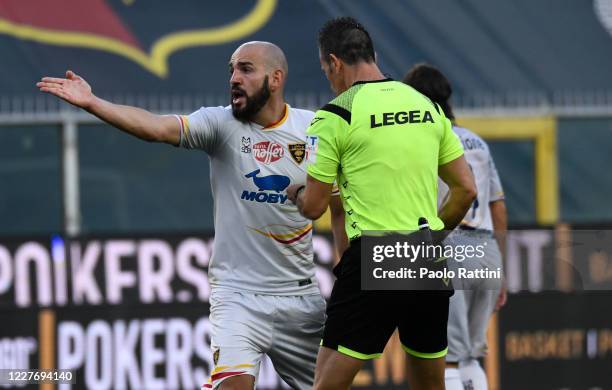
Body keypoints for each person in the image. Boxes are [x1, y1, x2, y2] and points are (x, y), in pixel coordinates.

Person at [38, 41, 332, 390]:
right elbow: (157, 127)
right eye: (232, 70)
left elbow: (340, 205)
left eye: (246, 69)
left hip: (298, 297)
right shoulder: (220, 123)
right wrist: (93, 102)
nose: (235, 78)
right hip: (237, 295)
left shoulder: (314, 129)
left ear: (276, 78)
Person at [287, 17, 477, 390]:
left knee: (326, 382)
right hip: (425, 255)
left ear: (335, 63)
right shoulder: (426, 105)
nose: (330, 79)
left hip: (375, 254)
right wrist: (433, 237)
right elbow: (465, 190)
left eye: (327, 71)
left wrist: (295, 193)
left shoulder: (336, 114)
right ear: (372, 55)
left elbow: (313, 207)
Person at [404, 63, 508, 390]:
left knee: (445, 355)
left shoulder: (427, 139)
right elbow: (498, 206)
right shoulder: (477, 142)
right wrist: (501, 266)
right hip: (486, 249)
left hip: (451, 248)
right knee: (471, 356)